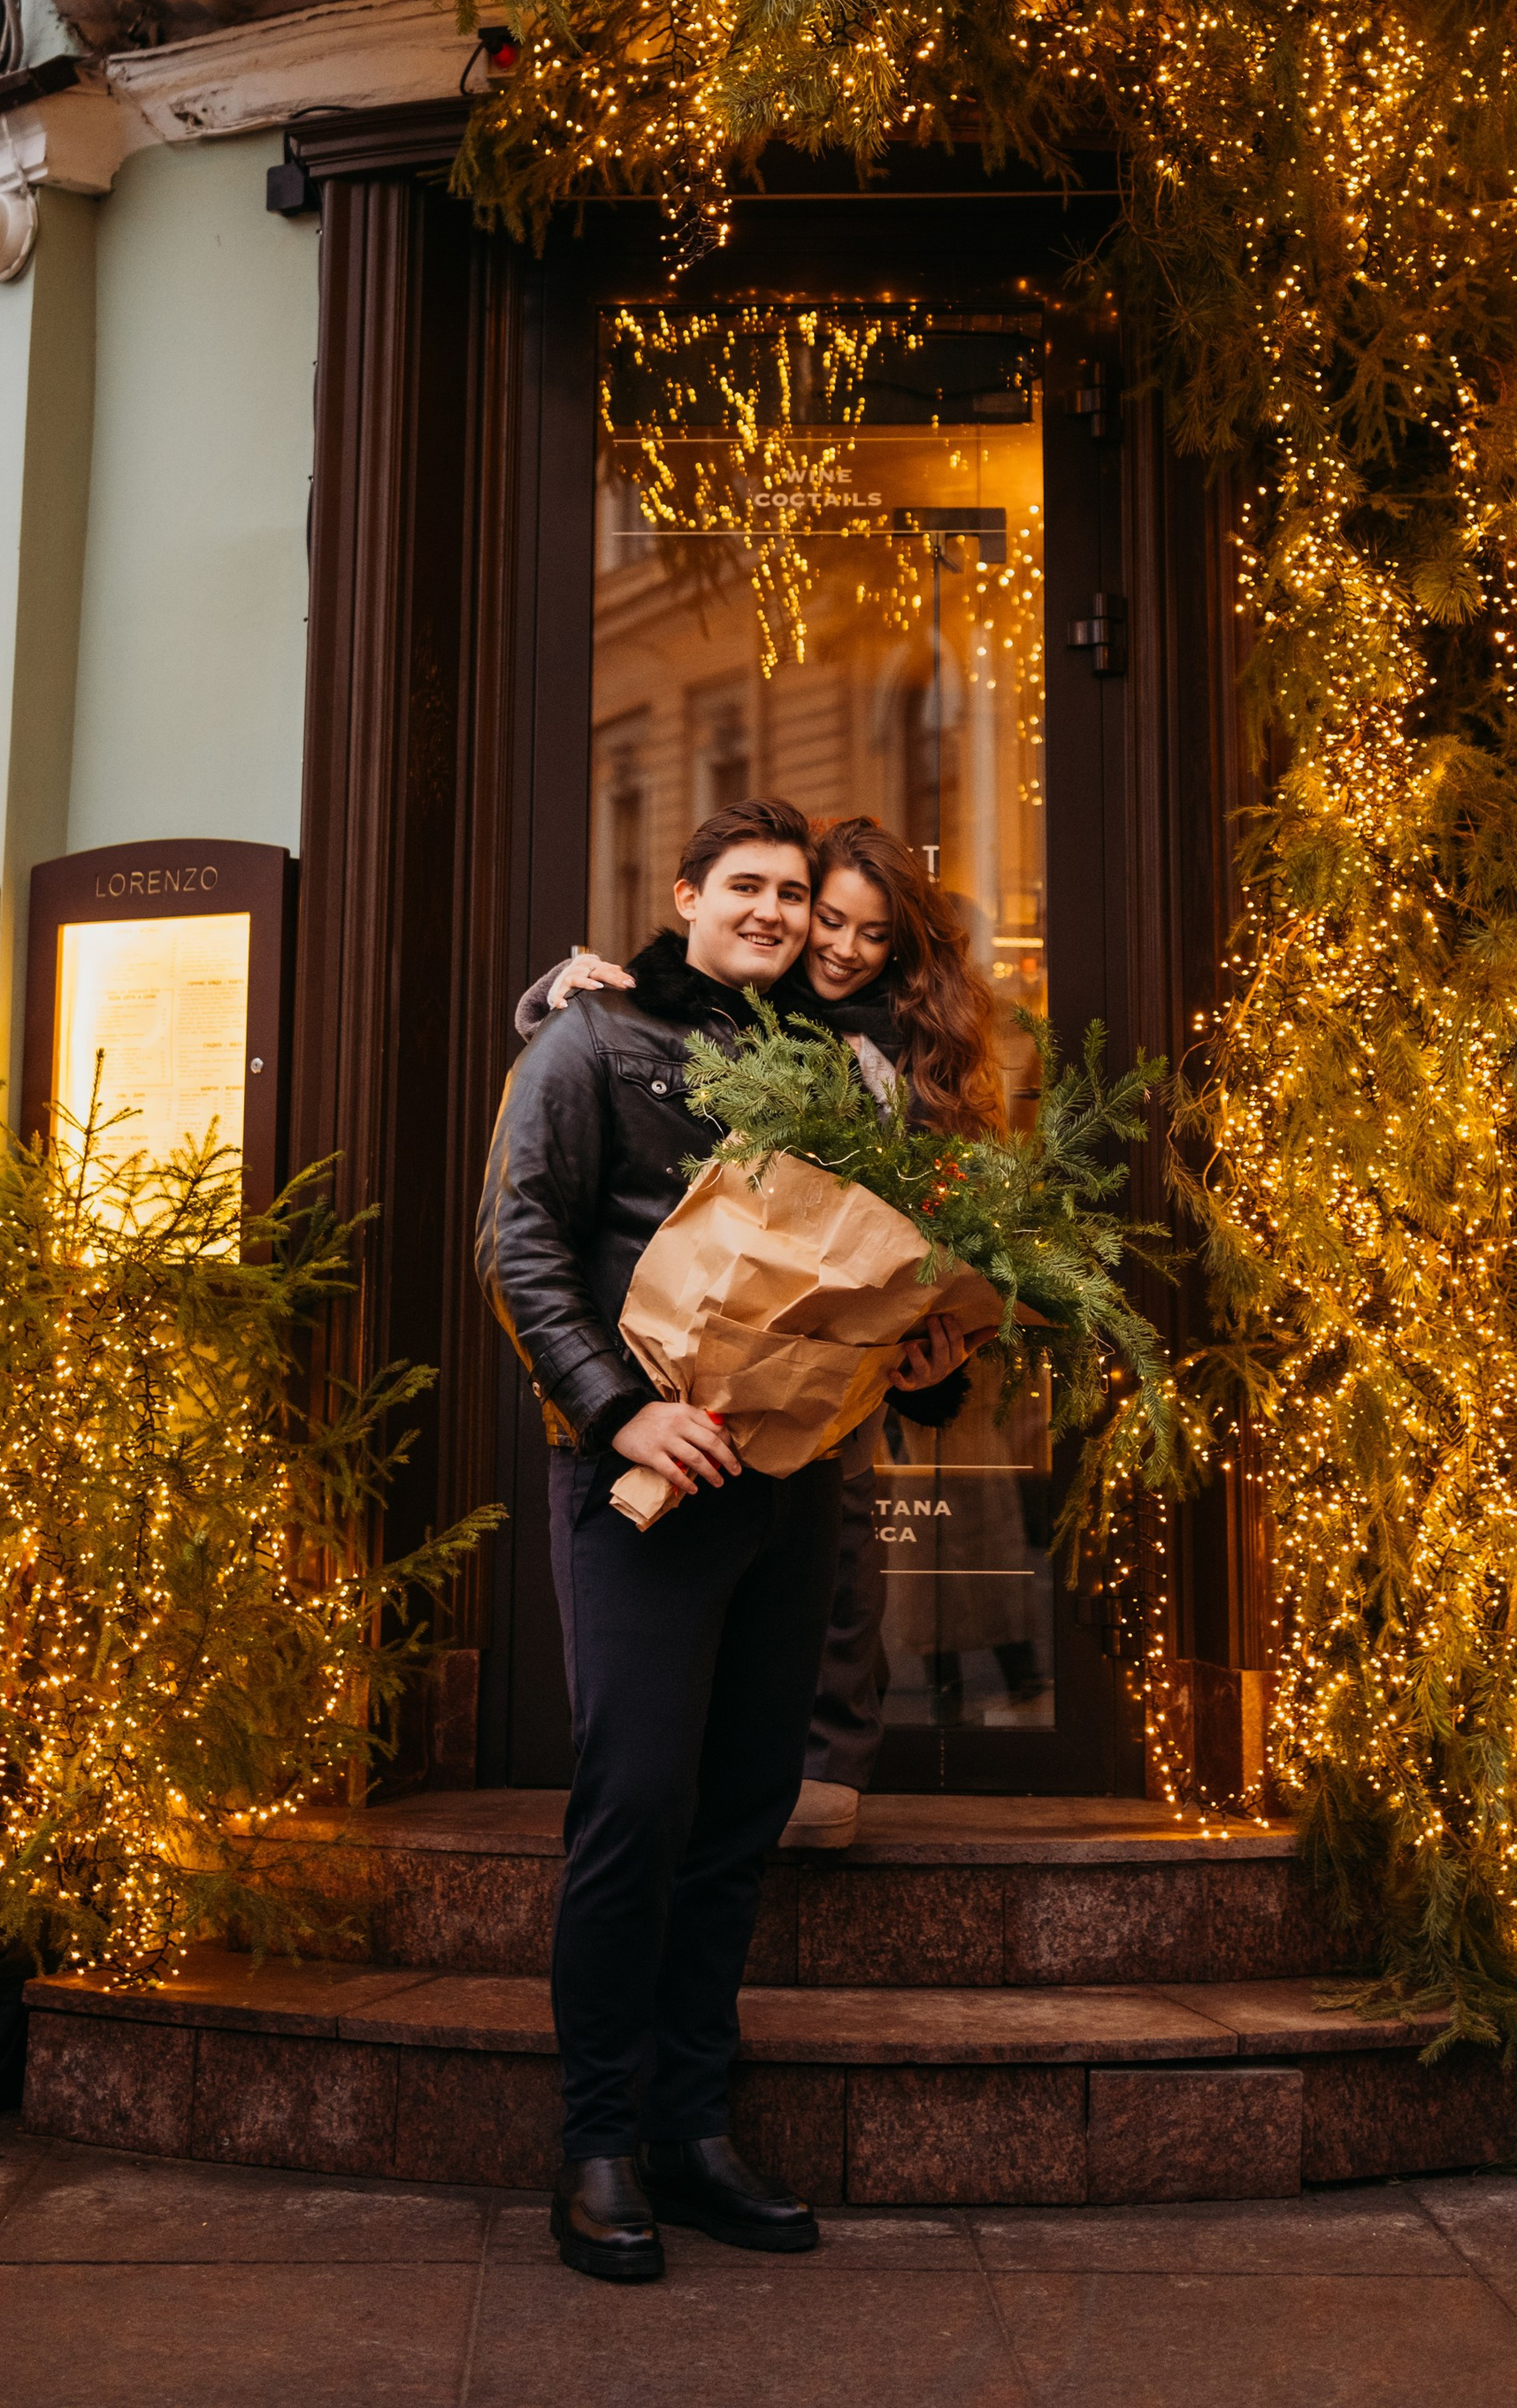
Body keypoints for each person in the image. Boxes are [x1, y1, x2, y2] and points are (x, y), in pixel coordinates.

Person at [478, 798, 973, 2283]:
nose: (773, 911)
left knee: (743, 1810)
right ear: (685, 894)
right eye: (745, 886)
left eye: (794, 894)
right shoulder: (592, 1037)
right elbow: (520, 1241)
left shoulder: (836, 1070)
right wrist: (615, 1411)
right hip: (645, 1487)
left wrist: (931, 1367)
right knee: (635, 1810)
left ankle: (694, 2132)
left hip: (790, 1488)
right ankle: (601, 2143)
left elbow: (866, 1282)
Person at [529, 812, 1007, 1847]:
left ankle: (825, 1760)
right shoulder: (732, 1017)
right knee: (645, 1763)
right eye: (821, 914)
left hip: (826, 1381)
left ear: (900, 949)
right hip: (663, 1397)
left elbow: (929, 1231)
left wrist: (933, 1355)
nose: (833, 942)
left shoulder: (897, 1058)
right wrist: (557, 991)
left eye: (867, 933)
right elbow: (638, 1033)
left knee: (835, 1555)